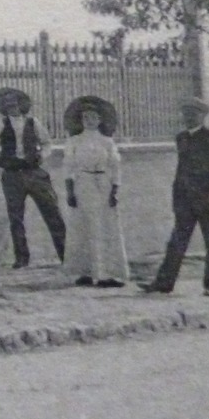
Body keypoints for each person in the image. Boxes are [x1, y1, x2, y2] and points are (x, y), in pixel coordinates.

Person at [143, 97, 209, 296]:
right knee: (177, 242)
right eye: (186, 113)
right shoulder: (181, 138)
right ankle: (163, 284)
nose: (189, 117)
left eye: (194, 113)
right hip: (185, 198)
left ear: (203, 116)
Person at [0, 86, 66, 269]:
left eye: (15, 104)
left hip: (34, 173)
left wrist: (42, 156)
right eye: (8, 105)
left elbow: (47, 143)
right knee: (16, 218)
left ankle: (66, 255)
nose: (13, 108)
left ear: (22, 105)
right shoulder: (2, 124)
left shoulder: (34, 122)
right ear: (4, 108)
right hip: (12, 174)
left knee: (52, 213)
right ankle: (22, 259)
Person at [61, 95, 129, 289]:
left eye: (93, 117)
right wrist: (70, 192)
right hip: (83, 185)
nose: (89, 121)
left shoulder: (107, 142)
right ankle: (86, 272)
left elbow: (115, 167)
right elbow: (68, 167)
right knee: (84, 226)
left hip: (103, 186)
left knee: (105, 227)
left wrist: (115, 190)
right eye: (85, 117)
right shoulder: (74, 141)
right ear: (80, 120)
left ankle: (107, 273)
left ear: (100, 120)